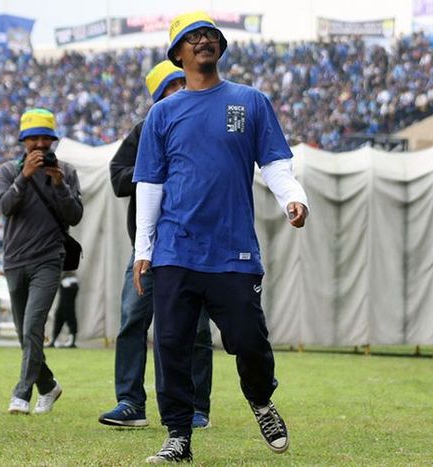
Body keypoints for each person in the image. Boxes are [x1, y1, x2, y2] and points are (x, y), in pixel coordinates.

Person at [133, 12, 308, 462]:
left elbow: (273, 163)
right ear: (178, 54)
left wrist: (293, 197)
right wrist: (143, 251)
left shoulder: (249, 102)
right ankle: (178, 436)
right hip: (175, 250)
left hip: (233, 250)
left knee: (250, 340)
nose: (204, 40)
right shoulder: (162, 114)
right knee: (170, 344)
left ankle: (261, 399)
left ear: (220, 46)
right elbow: (149, 184)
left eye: (210, 34)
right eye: (193, 37)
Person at [101, 60, 214, 430]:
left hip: (193, 244)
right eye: (172, 86)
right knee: (133, 319)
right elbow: (117, 179)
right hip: (147, 247)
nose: (181, 89)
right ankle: (130, 402)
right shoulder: (144, 130)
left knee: (195, 328)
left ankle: (197, 407)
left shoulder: (207, 128)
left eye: (183, 82)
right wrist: (151, 174)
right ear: (158, 98)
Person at [0, 108, 83, 415]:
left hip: (49, 258)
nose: (41, 145)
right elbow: (5, 207)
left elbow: (75, 216)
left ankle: (21, 392)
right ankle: (48, 385)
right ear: (24, 142)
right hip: (14, 260)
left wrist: (59, 185)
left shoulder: (67, 171)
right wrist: (24, 177)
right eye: (35, 139)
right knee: (25, 334)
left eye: (47, 139)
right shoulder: (8, 170)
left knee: (33, 325)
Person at [47, 271, 79, 348]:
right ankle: (54, 340)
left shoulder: (70, 281)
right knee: (60, 317)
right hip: (64, 303)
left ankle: (71, 341)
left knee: (69, 317)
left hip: (68, 281)